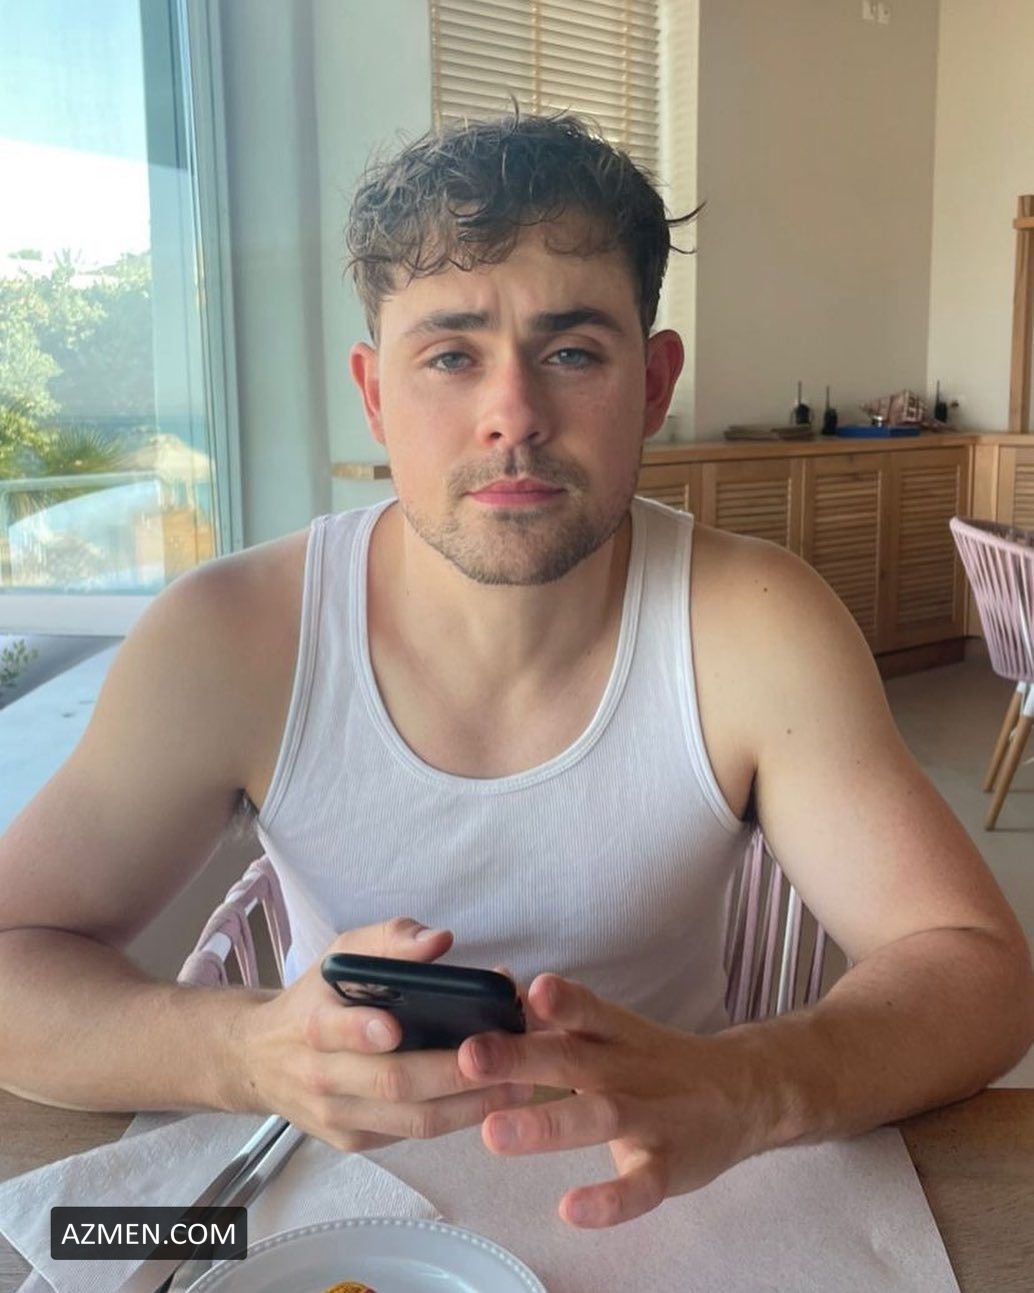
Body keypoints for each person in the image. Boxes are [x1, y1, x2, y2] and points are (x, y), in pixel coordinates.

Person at [0, 112, 1031, 1231]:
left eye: (572, 352)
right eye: (451, 356)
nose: (513, 418)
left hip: (671, 1199)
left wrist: (748, 1085)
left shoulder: (756, 624)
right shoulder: (233, 638)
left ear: (652, 383)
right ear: (374, 392)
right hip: (328, 1208)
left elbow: (973, 968)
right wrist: (248, 1052)